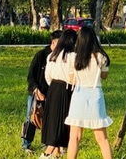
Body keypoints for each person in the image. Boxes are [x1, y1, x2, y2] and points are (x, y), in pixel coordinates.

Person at [64, 26, 113, 159]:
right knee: (102, 138)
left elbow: (71, 79)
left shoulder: (74, 58)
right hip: (95, 94)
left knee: (74, 137)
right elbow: (104, 76)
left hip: (79, 96)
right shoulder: (101, 57)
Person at [39, 29, 78, 159]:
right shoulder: (73, 57)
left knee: (53, 121)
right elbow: (73, 77)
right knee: (62, 123)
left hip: (53, 88)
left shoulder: (52, 56)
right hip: (65, 89)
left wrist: (53, 86)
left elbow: (47, 76)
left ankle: (57, 154)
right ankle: (47, 154)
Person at [22, 30, 62, 152]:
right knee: (32, 118)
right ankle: (26, 144)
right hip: (36, 92)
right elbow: (30, 76)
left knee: (48, 120)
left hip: (51, 94)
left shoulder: (60, 57)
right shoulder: (41, 55)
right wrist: (36, 90)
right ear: (54, 42)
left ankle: (47, 144)